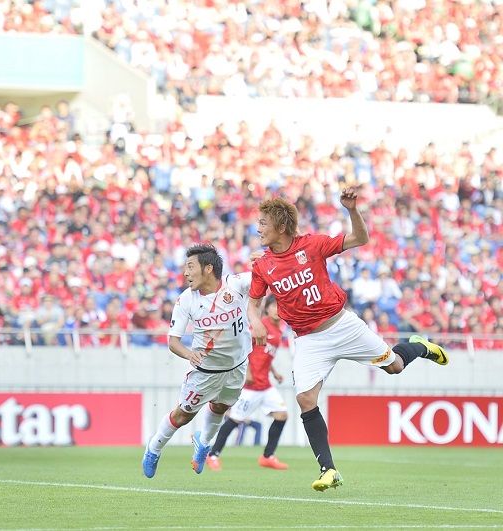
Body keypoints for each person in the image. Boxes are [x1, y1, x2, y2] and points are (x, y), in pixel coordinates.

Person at [248, 191, 449, 491]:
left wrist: (352, 210)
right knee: (305, 399)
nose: (258, 229)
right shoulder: (262, 265)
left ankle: (420, 346)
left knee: (394, 366)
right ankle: (328, 470)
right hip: (308, 340)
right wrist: (254, 321)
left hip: (341, 325)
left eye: (263, 223)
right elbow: (253, 303)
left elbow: (360, 238)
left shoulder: (312, 245)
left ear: (280, 226)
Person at [142, 243, 252, 478]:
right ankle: (154, 448)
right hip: (205, 372)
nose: (186, 273)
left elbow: (266, 277)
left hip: (237, 366)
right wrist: (189, 354)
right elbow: (173, 341)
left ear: (208, 268)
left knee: (221, 407)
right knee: (183, 415)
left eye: (191, 267)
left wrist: (265, 260)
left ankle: (203, 444)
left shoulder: (236, 284)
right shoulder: (186, 300)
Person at [207, 295, 290, 471]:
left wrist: (274, 372)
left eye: (281, 306)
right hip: (251, 386)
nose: (277, 310)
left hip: (265, 385)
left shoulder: (279, 331)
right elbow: (242, 347)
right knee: (235, 420)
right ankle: (213, 455)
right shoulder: (260, 326)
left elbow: (264, 354)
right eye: (274, 306)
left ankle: (267, 456)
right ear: (266, 308)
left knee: (282, 415)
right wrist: (248, 372)